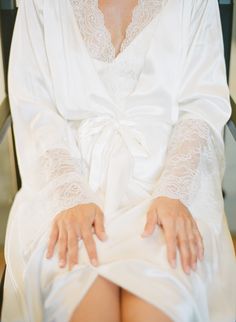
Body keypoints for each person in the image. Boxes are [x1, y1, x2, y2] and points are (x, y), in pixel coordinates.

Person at [2, 0, 236, 321]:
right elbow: (35, 107)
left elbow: (201, 105)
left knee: (163, 295)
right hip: (67, 180)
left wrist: (174, 190)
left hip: (166, 183)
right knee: (76, 290)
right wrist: (69, 193)